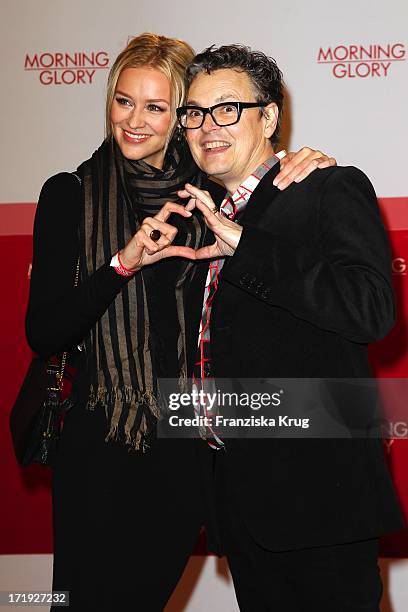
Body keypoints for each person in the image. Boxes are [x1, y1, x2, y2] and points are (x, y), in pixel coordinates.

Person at [26, 33, 335, 610]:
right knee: (79, 602)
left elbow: (275, 247)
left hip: (184, 451)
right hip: (101, 442)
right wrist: (121, 263)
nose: (134, 121)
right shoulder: (69, 194)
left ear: (183, 119)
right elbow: (44, 332)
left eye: (157, 107)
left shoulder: (208, 202)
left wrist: (305, 163)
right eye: (123, 101)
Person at [175, 45, 405, 611]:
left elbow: (371, 310)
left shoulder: (329, 187)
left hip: (320, 501)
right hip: (240, 503)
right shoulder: (198, 212)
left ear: (270, 117)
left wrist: (248, 248)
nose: (207, 126)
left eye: (227, 109)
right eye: (194, 112)